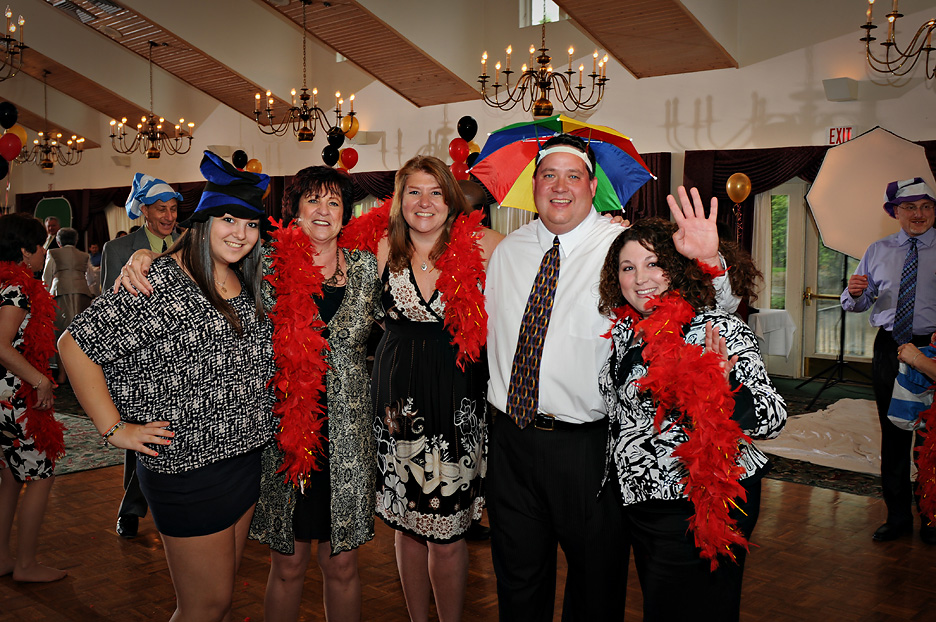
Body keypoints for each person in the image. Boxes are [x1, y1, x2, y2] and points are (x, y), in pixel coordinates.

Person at [484, 133, 739, 621]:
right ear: (533, 184)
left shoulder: (623, 248)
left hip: (588, 449)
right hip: (510, 442)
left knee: (595, 586)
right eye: (548, 175)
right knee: (516, 581)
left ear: (592, 183)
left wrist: (710, 263)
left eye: (573, 175)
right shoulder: (509, 253)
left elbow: (705, 313)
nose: (560, 187)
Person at [59, 151, 275, 622]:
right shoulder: (159, 280)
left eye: (251, 223)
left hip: (244, 458)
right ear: (202, 222)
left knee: (219, 602)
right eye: (228, 218)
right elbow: (74, 345)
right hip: (189, 471)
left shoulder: (247, 276)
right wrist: (115, 429)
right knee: (203, 606)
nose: (240, 232)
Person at [596, 217, 786, 621]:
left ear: (677, 266)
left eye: (653, 263)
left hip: (698, 504)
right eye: (627, 267)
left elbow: (773, 417)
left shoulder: (716, 327)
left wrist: (723, 389)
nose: (640, 278)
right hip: (641, 503)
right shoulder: (627, 330)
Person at [372, 155, 502, 622]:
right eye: (413, 192)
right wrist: (148, 254)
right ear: (398, 200)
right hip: (396, 401)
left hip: (457, 397)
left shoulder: (486, 245)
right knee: (406, 525)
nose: (424, 203)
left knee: (448, 533)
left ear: (451, 199)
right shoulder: (380, 248)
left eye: (435, 192)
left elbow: (546, 261)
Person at [251, 166, 380, 622]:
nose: (323, 211)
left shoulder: (368, 267)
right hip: (285, 432)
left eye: (334, 203)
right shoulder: (265, 265)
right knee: (287, 564)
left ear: (346, 215)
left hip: (347, 436)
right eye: (313, 200)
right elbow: (203, 257)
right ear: (295, 209)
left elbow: (430, 252)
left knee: (342, 562)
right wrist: (146, 256)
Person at [841, 177, 936, 544]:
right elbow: (858, 303)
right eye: (910, 207)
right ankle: (897, 516)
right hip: (889, 347)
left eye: (926, 206)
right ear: (895, 212)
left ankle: (931, 514)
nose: (919, 214)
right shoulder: (877, 250)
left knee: (931, 438)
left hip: (932, 349)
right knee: (894, 434)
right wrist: (854, 293)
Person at [100, 173, 182, 539]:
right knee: (141, 438)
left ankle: (170, 505)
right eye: (161, 209)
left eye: (173, 208)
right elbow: (109, 308)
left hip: (182, 357)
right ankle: (131, 509)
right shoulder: (117, 250)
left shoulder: (188, 243)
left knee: (169, 435)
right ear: (144, 212)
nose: (168, 216)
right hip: (140, 362)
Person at [0, 213, 66, 583]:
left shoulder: (3, 281)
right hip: (15, 396)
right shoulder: (19, 289)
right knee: (40, 475)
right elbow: (1, 345)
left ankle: (2, 557)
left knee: (10, 475)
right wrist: (40, 380)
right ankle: (25, 564)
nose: (45, 252)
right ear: (26, 251)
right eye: (40, 245)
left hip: (2, 397)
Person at [42, 227, 93, 384]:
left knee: (61, 333)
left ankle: (62, 375)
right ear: (76, 241)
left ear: (58, 241)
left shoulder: (53, 253)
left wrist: (45, 295)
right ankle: (79, 375)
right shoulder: (84, 255)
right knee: (80, 335)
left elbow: (47, 275)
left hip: (60, 293)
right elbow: (91, 278)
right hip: (82, 294)